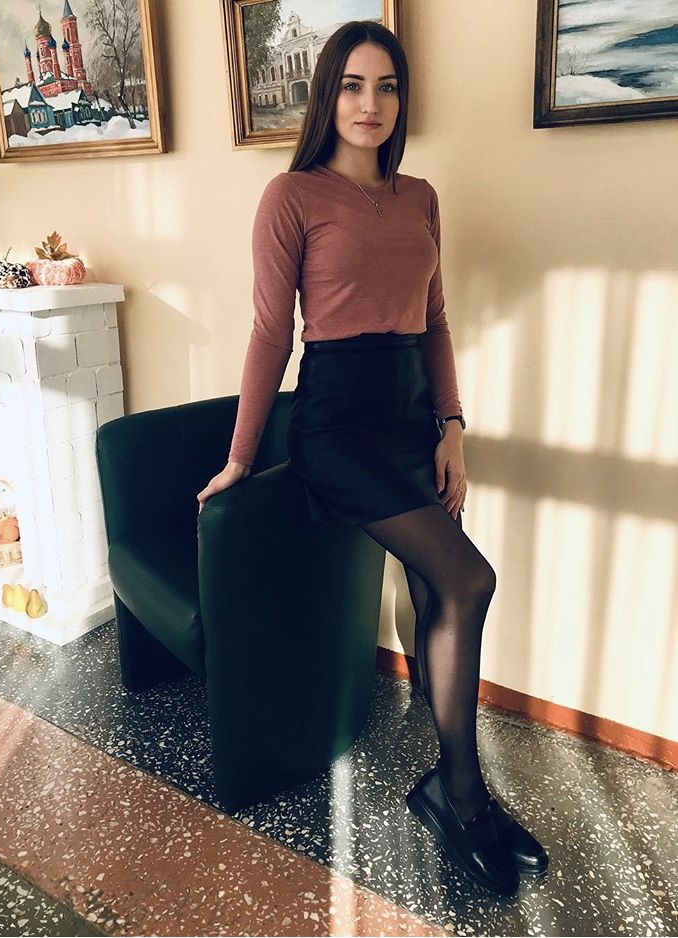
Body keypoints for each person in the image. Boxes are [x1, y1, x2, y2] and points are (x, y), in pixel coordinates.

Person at [197, 20, 548, 895]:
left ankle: (450, 783)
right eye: (353, 85)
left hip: (411, 417)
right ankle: (463, 796)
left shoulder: (421, 196)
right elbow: (270, 334)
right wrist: (241, 457)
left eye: (387, 86)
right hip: (337, 427)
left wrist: (452, 424)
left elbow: (436, 321)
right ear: (328, 95)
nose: (370, 103)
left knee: (435, 590)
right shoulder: (291, 196)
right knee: (469, 580)